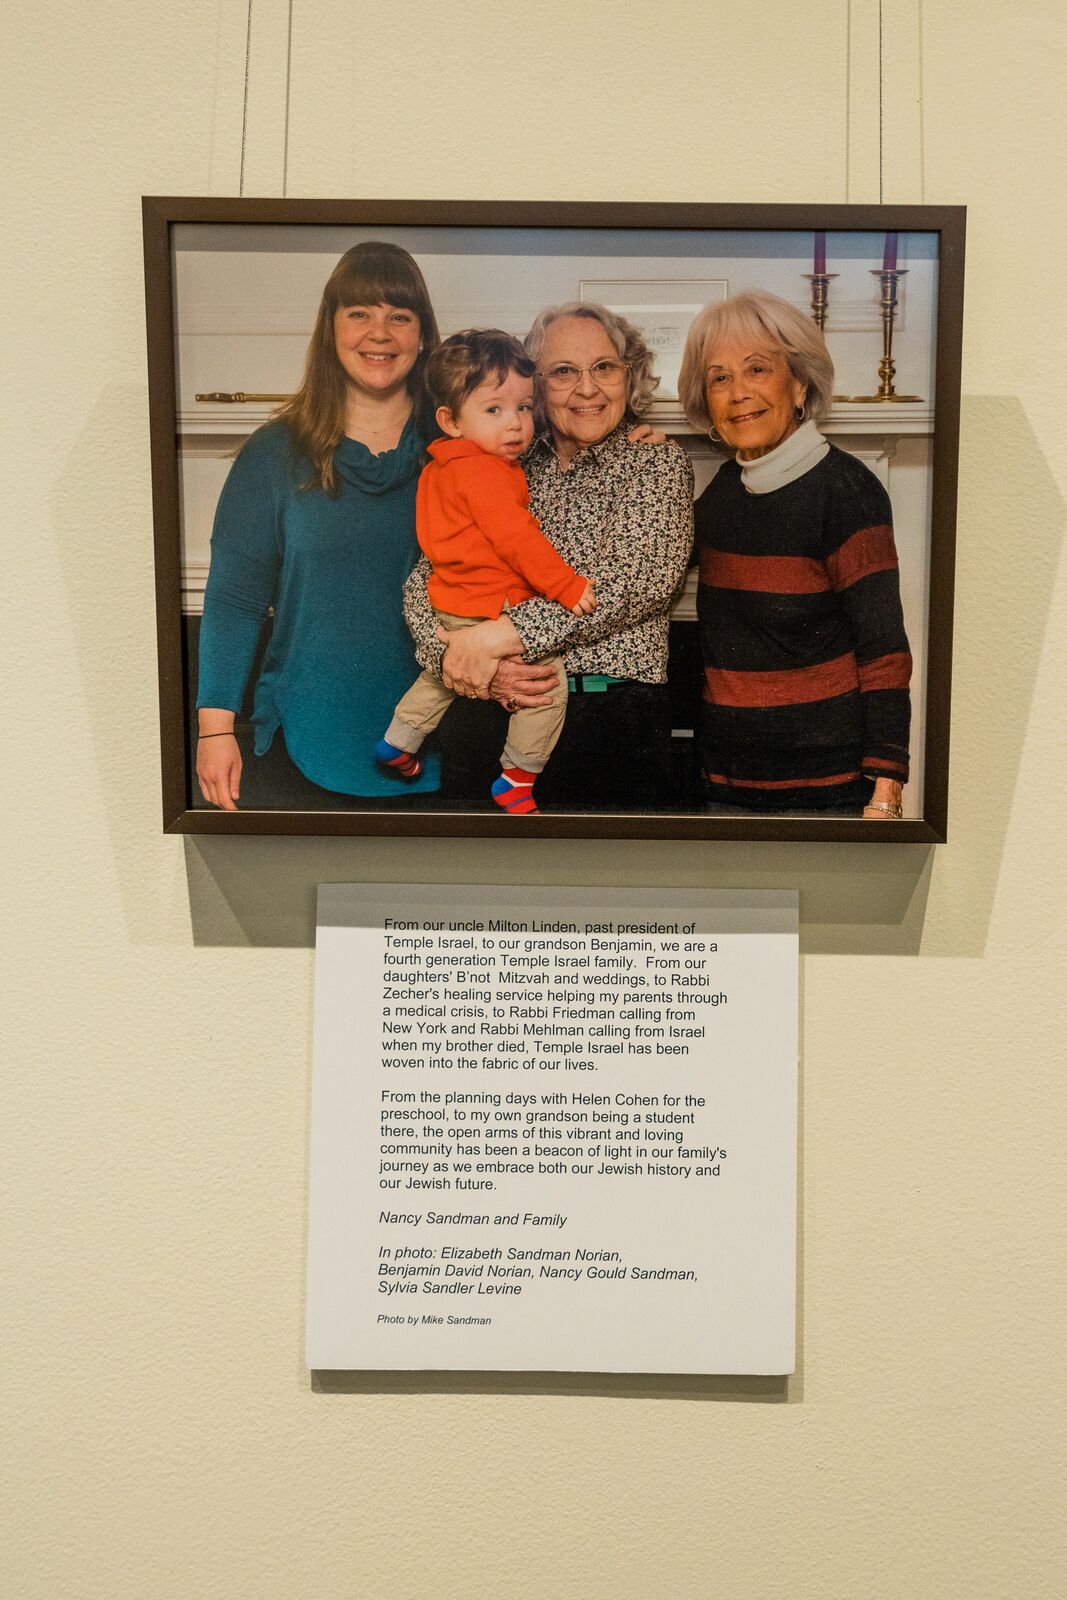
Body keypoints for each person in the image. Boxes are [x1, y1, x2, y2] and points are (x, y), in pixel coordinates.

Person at [403, 303, 694, 811]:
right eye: (563, 371)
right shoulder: (498, 458)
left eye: (604, 367)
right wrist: (453, 656)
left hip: (610, 722)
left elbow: (633, 584)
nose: (588, 389)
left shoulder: (654, 462)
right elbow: (427, 579)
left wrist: (494, 638)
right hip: (486, 712)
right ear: (534, 386)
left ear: (629, 376)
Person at [194, 240, 453, 810]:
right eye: (359, 313)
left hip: (451, 738)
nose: (379, 334)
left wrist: (628, 442)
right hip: (309, 740)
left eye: (399, 316)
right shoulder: (273, 453)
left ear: (422, 334)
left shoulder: (464, 448)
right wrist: (214, 731)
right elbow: (234, 600)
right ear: (330, 329)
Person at [676, 289, 912, 818]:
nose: (739, 392)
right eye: (719, 378)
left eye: (757, 369)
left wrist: (887, 786)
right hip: (725, 779)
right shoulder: (725, 490)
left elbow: (883, 648)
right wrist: (633, 455)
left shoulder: (846, 491)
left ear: (800, 383)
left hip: (827, 788)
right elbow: (658, 564)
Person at [374, 330, 596, 816]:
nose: (515, 423)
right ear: (450, 420)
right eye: (494, 409)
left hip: (451, 602)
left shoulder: (440, 467)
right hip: (494, 602)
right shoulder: (486, 472)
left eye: (524, 407)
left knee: (444, 675)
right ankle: (517, 777)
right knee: (546, 683)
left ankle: (399, 740)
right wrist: (566, 585)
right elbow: (517, 539)